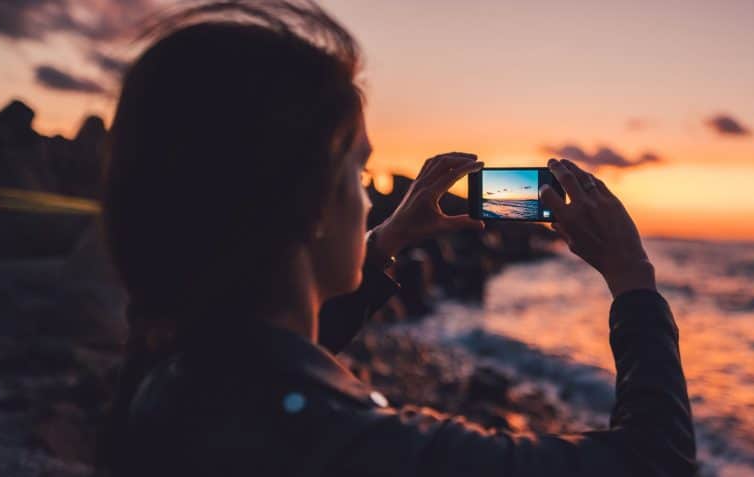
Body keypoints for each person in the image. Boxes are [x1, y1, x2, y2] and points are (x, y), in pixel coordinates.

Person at [102, 2, 695, 476]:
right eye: (359, 175)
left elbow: (269, 353)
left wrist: (386, 240)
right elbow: (655, 461)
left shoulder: (172, 370)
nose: (368, 199)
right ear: (309, 204)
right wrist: (633, 282)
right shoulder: (353, 444)